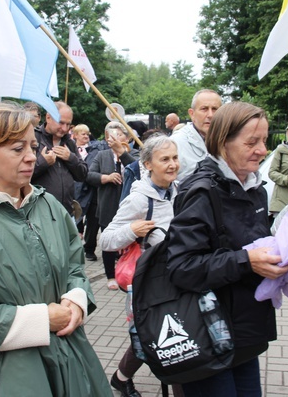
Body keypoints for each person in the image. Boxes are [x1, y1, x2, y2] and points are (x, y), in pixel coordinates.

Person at [0, 102, 112, 396]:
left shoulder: (49, 206)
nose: (31, 157)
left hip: (70, 361)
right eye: (17, 149)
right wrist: (42, 320)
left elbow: (74, 264)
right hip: (9, 376)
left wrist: (76, 299)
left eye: (32, 146)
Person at [166, 101, 288, 396]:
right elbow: (182, 268)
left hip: (245, 333)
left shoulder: (254, 188)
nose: (262, 150)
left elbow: (251, 246)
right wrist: (247, 262)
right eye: (252, 142)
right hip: (210, 336)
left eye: (264, 140)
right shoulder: (201, 191)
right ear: (223, 143)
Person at [99, 134, 180, 397]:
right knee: (153, 338)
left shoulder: (177, 191)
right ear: (148, 165)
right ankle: (122, 379)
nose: (172, 164)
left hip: (176, 279)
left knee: (166, 337)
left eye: (175, 158)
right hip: (146, 284)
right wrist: (133, 230)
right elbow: (107, 240)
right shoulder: (138, 200)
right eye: (164, 159)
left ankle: (121, 378)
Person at [87, 122, 138, 290]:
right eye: (110, 137)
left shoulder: (135, 153)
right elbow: (89, 175)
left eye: (118, 135)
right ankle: (110, 275)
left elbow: (139, 170)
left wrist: (121, 152)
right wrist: (106, 178)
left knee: (132, 241)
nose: (113, 139)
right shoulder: (102, 155)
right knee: (108, 241)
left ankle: (131, 272)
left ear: (127, 137)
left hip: (131, 206)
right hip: (108, 205)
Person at [32, 101, 88, 215]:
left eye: (68, 124)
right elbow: (20, 174)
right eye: (61, 123)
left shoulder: (69, 142)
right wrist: (43, 162)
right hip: (40, 212)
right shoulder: (34, 138)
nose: (64, 128)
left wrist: (71, 158)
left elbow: (83, 175)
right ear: (48, 117)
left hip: (66, 211)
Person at [171, 89, 222, 181]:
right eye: (204, 109)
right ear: (192, 114)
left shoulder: (230, 141)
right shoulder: (175, 143)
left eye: (214, 109)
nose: (210, 115)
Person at [72, 124, 103, 261]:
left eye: (87, 134)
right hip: (74, 189)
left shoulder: (96, 149)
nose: (86, 136)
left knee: (93, 220)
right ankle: (74, 246)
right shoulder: (69, 149)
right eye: (83, 134)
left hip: (92, 189)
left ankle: (89, 248)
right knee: (75, 217)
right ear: (75, 135)